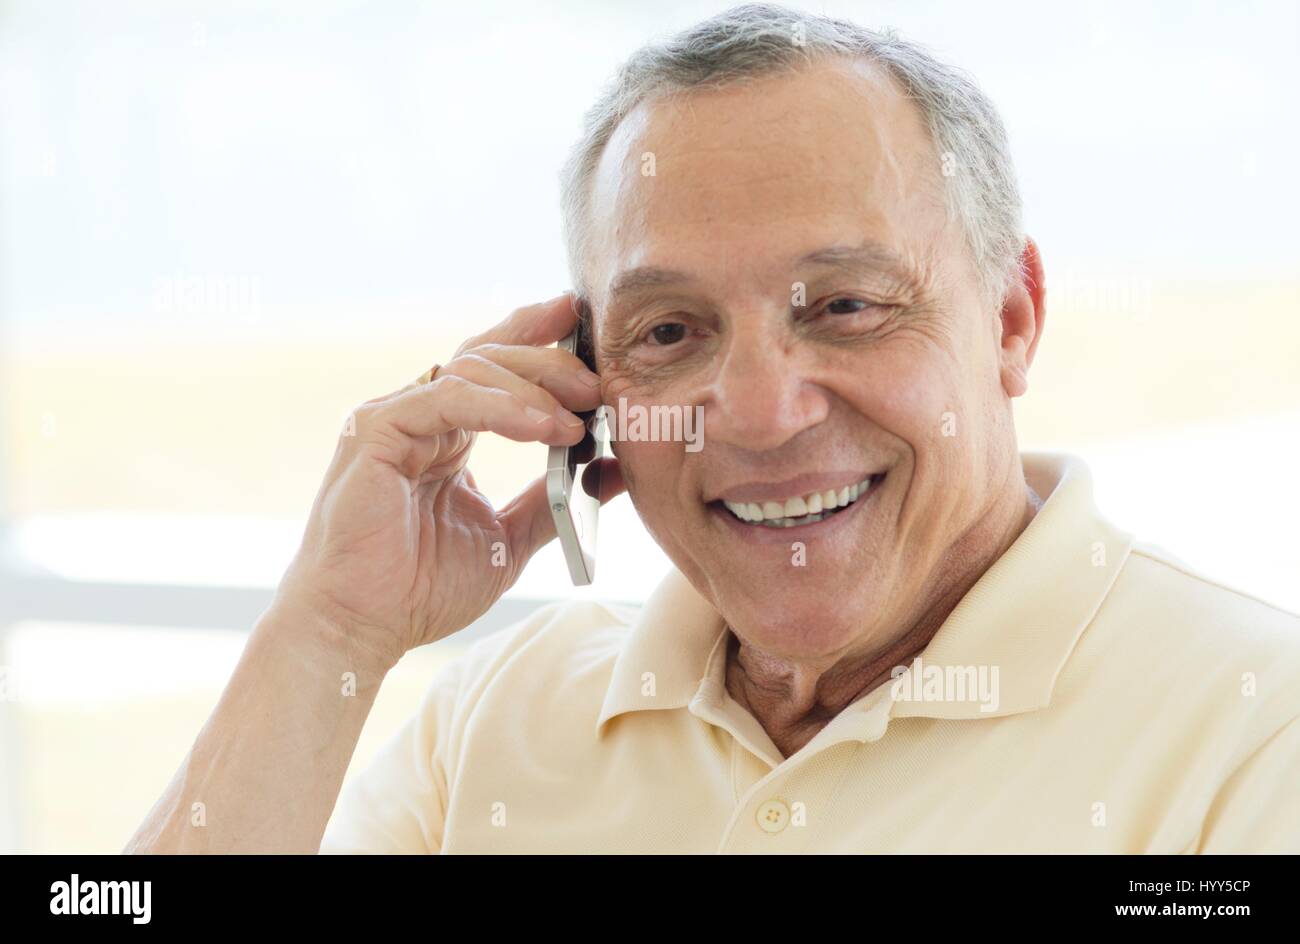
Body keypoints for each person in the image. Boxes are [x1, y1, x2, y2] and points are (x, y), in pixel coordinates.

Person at [127, 3, 1300, 854]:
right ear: (584, 385)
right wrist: (327, 636)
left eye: (843, 306)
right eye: (669, 331)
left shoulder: (1256, 731)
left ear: (1007, 319)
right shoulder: (503, 716)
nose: (759, 411)